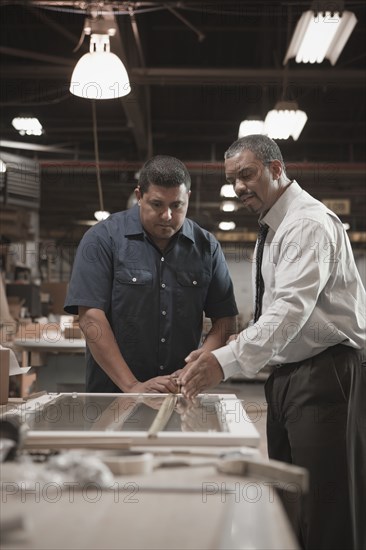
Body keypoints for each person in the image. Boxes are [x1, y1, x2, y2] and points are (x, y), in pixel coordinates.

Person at [178, 135, 366, 550]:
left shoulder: (307, 223)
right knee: (290, 498)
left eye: (247, 174)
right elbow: (276, 314)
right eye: (233, 180)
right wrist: (216, 353)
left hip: (325, 372)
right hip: (290, 376)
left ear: (276, 169)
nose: (239, 187)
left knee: (326, 505)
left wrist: (224, 361)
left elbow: (290, 312)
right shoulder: (275, 227)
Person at [64, 155, 238, 394]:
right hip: (112, 397)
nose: (167, 215)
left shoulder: (206, 247)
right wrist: (132, 386)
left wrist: (198, 364)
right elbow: (91, 317)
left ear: (188, 198)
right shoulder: (103, 239)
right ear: (139, 197)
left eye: (176, 205)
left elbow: (225, 320)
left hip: (179, 395)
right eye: (157, 204)